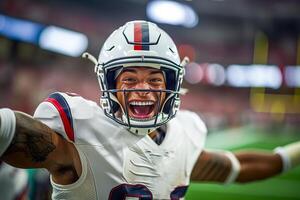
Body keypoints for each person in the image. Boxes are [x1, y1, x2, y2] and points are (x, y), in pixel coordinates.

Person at [0, 20, 300, 200]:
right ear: (108, 84)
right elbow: (14, 131)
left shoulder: (184, 135)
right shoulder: (80, 133)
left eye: (155, 80)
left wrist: (293, 153)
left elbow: (237, 167)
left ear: (172, 84)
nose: (143, 88)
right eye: (129, 79)